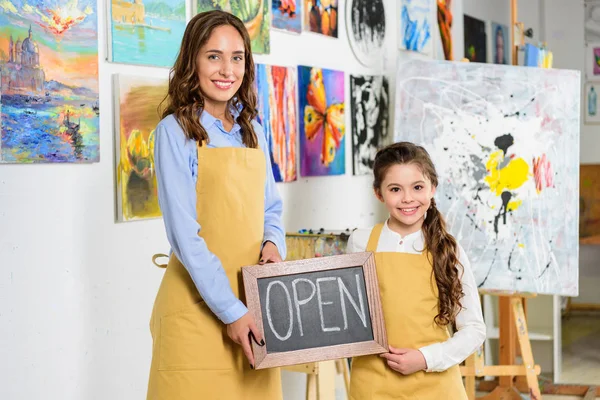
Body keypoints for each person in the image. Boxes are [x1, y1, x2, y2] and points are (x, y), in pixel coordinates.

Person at [146, 10, 286, 400]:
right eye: (213, 56)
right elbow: (184, 236)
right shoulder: (174, 133)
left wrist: (272, 246)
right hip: (197, 310)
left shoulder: (252, 129)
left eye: (237, 57)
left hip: (252, 305)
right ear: (192, 60)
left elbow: (270, 208)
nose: (227, 69)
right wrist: (233, 312)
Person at [347, 142, 486, 399]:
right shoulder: (360, 242)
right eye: (395, 189)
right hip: (371, 386)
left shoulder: (448, 250)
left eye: (418, 187)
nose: (408, 198)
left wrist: (425, 358)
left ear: (433, 188)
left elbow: (474, 330)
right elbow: (347, 315)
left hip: (435, 387)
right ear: (379, 193)